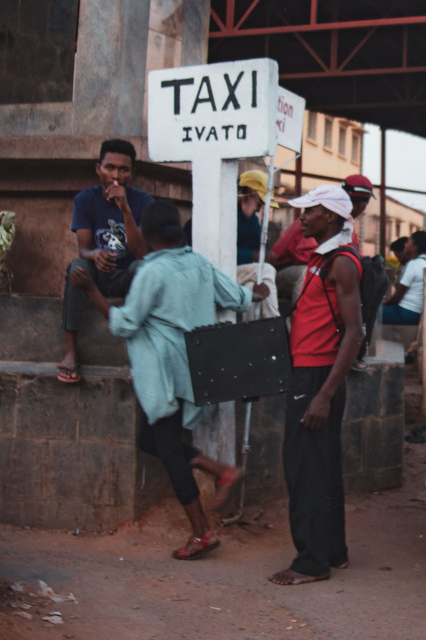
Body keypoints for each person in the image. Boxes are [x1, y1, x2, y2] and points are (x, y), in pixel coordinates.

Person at [69, 201, 271, 560]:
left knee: (165, 448)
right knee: (152, 440)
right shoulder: (197, 263)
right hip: (194, 370)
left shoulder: (150, 273)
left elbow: (123, 324)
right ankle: (219, 469)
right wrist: (256, 293)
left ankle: (201, 532)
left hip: (164, 373)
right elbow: (236, 297)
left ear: (146, 236)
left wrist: (91, 291)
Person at [269, 184, 364, 586]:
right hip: (309, 372)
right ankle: (333, 552)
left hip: (316, 376)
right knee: (322, 467)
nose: (302, 218)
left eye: (310, 212)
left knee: (304, 468)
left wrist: (324, 394)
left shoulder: (341, 263)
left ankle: (311, 562)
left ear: (331, 217)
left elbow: (354, 333)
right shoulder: (322, 259)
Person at [58, 139, 154, 383]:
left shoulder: (143, 201)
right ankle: (70, 350)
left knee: (144, 268)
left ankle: (140, 354)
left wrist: (125, 210)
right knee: (76, 268)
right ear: (97, 168)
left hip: (127, 276)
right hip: (99, 275)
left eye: (124, 169)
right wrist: (94, 255)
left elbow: (142, 253)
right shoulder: (85, 199)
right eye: (109, 167)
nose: (116, 175)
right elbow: (83, 248)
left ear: (133, 173)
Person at [184, 170, 281, 321]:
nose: (259, 208)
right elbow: (214, 251)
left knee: (252, 286)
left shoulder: (252, 221)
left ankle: (254, 333)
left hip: (236, 274)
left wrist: (264, 253)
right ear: (249, 193)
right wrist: (254, 255)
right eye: (259, 202)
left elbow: (261, 249)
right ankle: (274, 320)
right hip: (214, 272)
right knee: (266, 270)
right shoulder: (221, 212)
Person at [270, 175, 373, 308]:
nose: (302, 217)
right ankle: (297, 319)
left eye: (308, 210)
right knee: (310, 271)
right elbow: (302, 256)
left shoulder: (347, 228)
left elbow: (354, 257)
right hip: (281, 273)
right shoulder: (315, 224)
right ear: (362, 206)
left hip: (315, 272)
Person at [382, 230, 426, 325]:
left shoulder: (413, 264)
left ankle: (372, 339)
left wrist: (383, 304)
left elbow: (397, 297)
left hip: (406, 312)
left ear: (414, 248)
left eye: (408, 242)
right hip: (418, 312)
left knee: (372, 312)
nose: (405, 244)